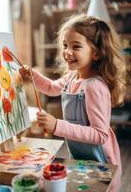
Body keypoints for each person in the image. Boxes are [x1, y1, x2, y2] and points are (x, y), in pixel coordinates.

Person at [19, 14, 125, 192]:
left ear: (97, 53)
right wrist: (34, 76)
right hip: (81, 156)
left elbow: (100, 135)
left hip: (101, 160)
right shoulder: (72, 77)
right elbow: (52, 88)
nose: (67, 52)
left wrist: (57, 125)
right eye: (65, 45)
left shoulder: (94, 87)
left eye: (76, 46)